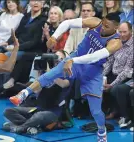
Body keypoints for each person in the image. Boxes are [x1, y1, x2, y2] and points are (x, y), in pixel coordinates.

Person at [9, 12, 122, 142]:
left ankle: (102, 132)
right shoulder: (96, 22)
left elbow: (96, 56)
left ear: (116, 27)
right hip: (75, 59)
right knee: (51, 74)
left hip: (92, 71)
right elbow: (68, 23)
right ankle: (23, 94)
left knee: (96, 111)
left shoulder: (116, 42)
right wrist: (54, 37)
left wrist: (74, 61)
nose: (103, 27)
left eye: (107, 26)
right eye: (103, 23)